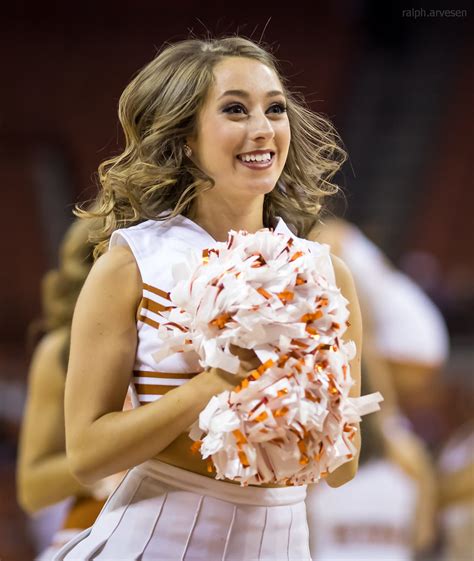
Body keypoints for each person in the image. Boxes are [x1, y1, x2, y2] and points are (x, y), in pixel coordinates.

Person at [54, 36, 362, 560]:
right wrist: (215, 387)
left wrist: (290, 406)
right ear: (185, 137)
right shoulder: (132, 265)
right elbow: (86, 454)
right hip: (158, 540)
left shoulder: (324, 274)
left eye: (275, 109)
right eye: (235, 110)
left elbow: (342, 464)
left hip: (284, 544)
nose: (263, 129)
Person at [17, 219, 125, 559]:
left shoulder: (200, 326)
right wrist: (120, 460)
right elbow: (33, 487)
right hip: (100, 521)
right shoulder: (61, 349)